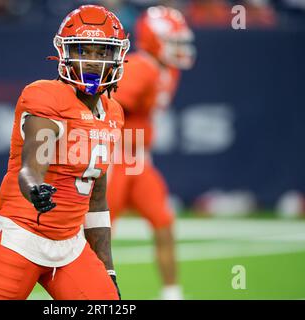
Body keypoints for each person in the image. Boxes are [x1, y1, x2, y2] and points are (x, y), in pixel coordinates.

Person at [0, 5, 130, 300]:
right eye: (85, 51)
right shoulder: (47, 96)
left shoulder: (113, 113)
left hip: (70, 246)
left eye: (101, 52)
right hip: (21, 238)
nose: (93, 62)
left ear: (116, 56)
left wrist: (108, 270)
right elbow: (31, 166)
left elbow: (96, 199)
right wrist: (35, 188)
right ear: (66, 53)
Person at [107, 6, 196, 300]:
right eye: (175, 41)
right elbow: (107, 107)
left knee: (163, 222)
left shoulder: (165, 69)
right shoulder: (141, 67)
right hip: (116, 159)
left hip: (138, 160)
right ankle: (77, 293)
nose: (180, 48)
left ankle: (172, 293)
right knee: (99, 233)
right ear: (156, 40)